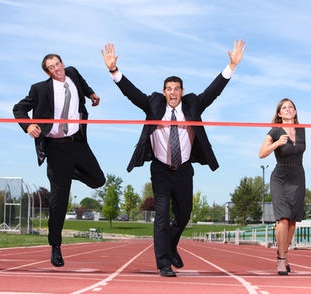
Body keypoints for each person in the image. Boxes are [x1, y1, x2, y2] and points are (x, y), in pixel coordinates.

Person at [101, 40, 246, 277]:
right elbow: (131, 93)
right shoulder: (153, 103)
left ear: (182, 92)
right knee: (161, 215)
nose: (173, 92)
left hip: (184, 169)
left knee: (184, 214)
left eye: (177, 88)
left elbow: (213, 90)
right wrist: (114, 70)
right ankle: (164, 263)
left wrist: (231, 65)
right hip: (160, 169)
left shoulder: (193, 104)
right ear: (164, 91)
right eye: (169, 88)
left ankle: (171, 246)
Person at [13, 54, 106, 267]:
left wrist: (91, 94)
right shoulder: (39, 89)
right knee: (59, 201)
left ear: (63, 64)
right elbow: (18, 109)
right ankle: (55, 246)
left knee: (98, 180)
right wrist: (28, 125)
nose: (57, 69)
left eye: (58, 64)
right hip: (55, 148)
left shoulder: (72, 72)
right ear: (47, 72)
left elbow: (82, 84)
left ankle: (70, 173)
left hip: (77, 142)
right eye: (52, 67)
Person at [258, 98, 306, 275]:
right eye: (284, 108)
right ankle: (280, 259)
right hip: (280, 178)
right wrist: (277, 143)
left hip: (298, 177)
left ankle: (285, 255)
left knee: (292, 220)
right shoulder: (275, 130)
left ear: (295, 111)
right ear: (279, 114)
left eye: (291, 107)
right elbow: (261, 154)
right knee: (283, 218)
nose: (288, 110)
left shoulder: (302, 129)